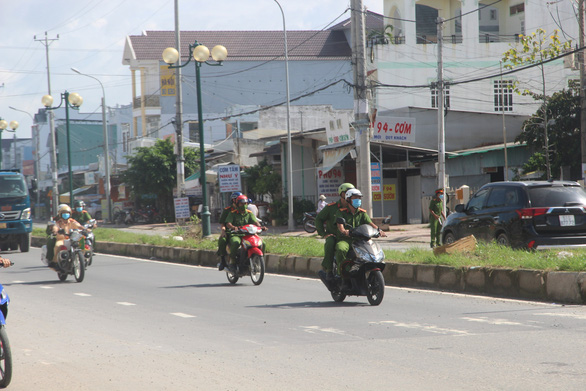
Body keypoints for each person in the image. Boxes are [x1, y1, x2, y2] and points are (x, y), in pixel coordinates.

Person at [335, 188, 386, 282]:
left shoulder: (362, 213)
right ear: (348, 199)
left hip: (361, 240)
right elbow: (340, 226)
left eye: (359, 198)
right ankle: (341, 274)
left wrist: (379, 230)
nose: (358, 200)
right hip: (346, 239)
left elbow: (371, 224)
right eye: (355, 198)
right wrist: (344, 231)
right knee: (341, 249)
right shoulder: (341, 212)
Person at [315, 183, 354, 281]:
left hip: (349, 237)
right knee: (330, 242)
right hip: (334, 236)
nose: (349, 195)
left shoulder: (354, 208)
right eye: (347, 193)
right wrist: (323, 234)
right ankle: (328, 270)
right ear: (341, 194)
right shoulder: (331, 207)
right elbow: (319, 219)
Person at [224, 195, 264, 271]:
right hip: (236, 234)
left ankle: (258, 261)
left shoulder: (249, 213)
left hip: (248, 234)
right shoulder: (232, 213)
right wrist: (233, 227)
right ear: (237, 204)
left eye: (245, 203)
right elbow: (228, 223)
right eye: (242, 204)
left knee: (262, 243)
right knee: (235, 243)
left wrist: (260, 227)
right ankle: (232, 262)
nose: (244, 205)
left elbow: (255, 222)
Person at [47, 204, 84, 270]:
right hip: (62, 240)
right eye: (64, 213)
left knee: (82, 243)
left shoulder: (72, 221)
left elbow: (78, 225)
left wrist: (83, 228)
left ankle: (83, 260)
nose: (66, 215)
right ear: (60, 214)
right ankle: (55, 262)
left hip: (72, 239)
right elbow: (55, 227)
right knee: (58, 246)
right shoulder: (58, 222)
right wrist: (55, 231)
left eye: (67, 213)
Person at [216, 191, 242, 270]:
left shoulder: (244, 210)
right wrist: (223, 232)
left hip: (243, 231)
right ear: (234, 200)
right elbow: (223, 223)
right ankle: (223, 260)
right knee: (222, 240)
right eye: (239, 200)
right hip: (230, 231)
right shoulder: (227, 210)